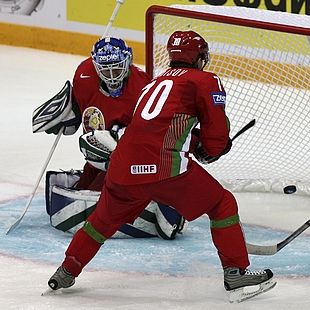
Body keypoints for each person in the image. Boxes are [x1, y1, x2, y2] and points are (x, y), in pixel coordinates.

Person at [46, 30, 276, 303]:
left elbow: (156, 128)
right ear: (201, 57)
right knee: (222, 204)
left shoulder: (152, 83)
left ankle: (66, 270)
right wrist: (214, 147)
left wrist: (197, 143)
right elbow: (214, 138)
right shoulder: (205, 80)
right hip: (163, 167)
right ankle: (236, 273)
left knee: (102, 222)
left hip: (122, 166)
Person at [33, 37, 185, 239]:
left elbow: (152, 133)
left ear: (128, 61)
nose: (112, 76)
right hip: (98, 154)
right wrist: (70, 114)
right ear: (96, 66)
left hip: (131, 159)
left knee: (112, 190)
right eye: (105, 70)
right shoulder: (83, 75)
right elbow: (83, 106)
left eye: (117, 68)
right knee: (88, 181)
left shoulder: (143, 85)